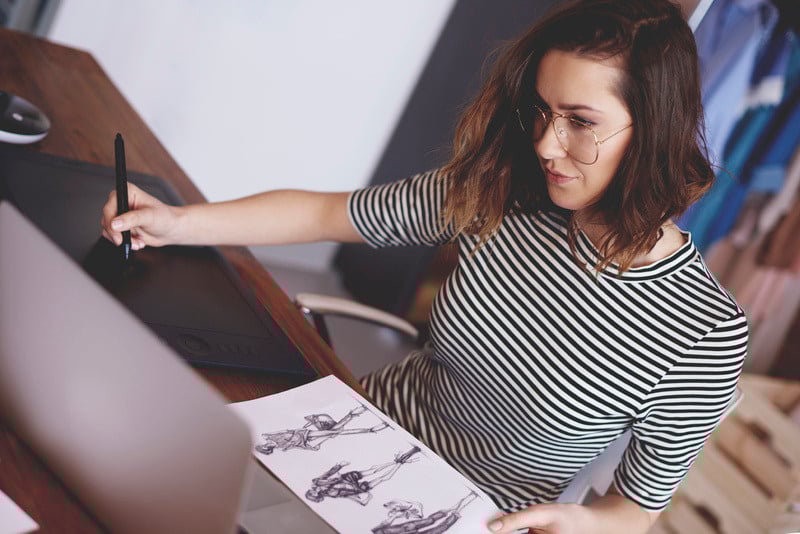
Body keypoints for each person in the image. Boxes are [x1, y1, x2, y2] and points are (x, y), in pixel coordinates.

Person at [100, 0, 749, 532]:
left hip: (457, 514)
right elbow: (332, 215)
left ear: (656, 129)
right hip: (347, 434)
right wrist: (180, 221)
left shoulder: (703, 332)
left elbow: (634, 510)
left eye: (581, 121)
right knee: (141, 487)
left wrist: (587, 524)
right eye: (543, 112)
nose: (547, 144)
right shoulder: (508, 195)